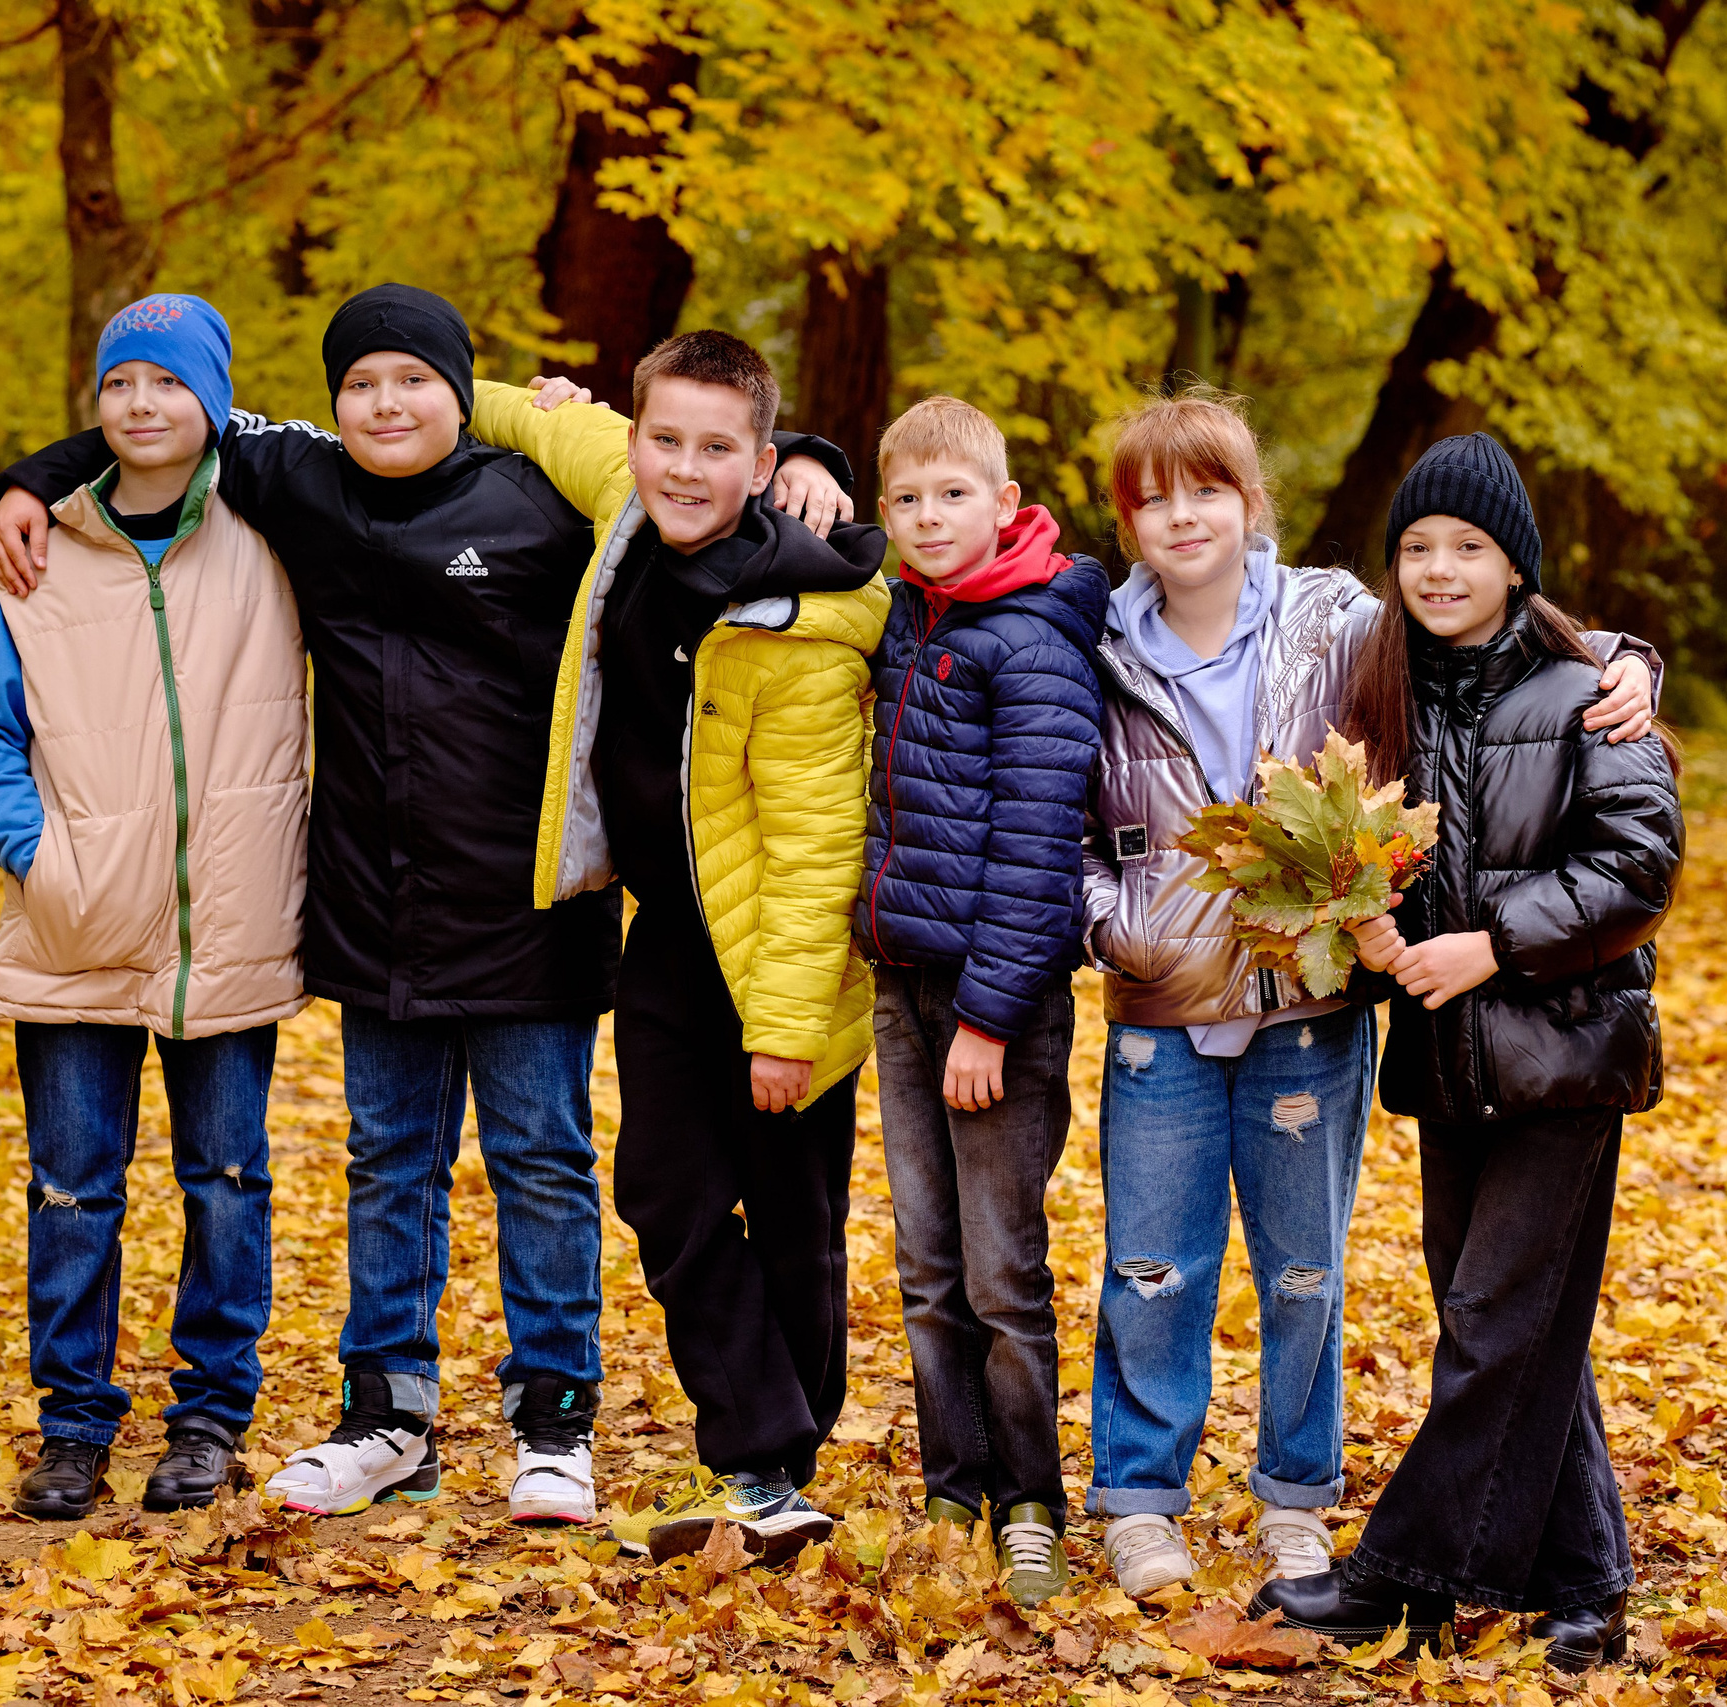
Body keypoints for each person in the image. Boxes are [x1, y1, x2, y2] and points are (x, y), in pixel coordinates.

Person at [0, 286, 852, 1525]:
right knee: (390, 1163)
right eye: (362, 384)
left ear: (458, 389)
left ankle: (555, 1421)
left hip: (528, 903)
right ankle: (388, 1416)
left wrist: (806, 461)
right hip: (370, 899)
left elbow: (684, 474)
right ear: (333, 405)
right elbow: (167, 422)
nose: (388, 404)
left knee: (541, 1163)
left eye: (415, 380)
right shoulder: (297, 484)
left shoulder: (542, 497)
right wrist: (31, 478)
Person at [1079, 394, 1663, 1597]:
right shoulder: (1097, 638)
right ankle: (1579, 1578)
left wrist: (1626, 661)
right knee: (1174, 1271)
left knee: (1385, 1293)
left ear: (1255, 506)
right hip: (1228, 1018)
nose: (1182, 516)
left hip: (1379, 1021)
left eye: (1209, 490)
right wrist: (1113, 926)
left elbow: (1571, 726)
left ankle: (1369, 1542)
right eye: (1153, 496)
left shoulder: (1337, 624)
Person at [1249, 431, 1683, 1671]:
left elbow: (1639, 868)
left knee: (1496, 1321)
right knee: (1515, 1323)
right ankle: (1586, 1585)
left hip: (1562, 1056)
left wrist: (1491, 945)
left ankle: (1409, 1576)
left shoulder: (1588, 689)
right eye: (1418, 548)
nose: (1439, 570)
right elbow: (1376, 857)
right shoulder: (1388, 691)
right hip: (1449, 1063)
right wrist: (1375, 930)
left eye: (1468, 548)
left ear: (1515, 564)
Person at [464, 335, 884, 1565]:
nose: (683, 470)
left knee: (794, 1210)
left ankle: (782, 1461)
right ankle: (762, 1452)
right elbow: (530, 424)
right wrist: (474, 395)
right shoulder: (629, 511)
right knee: (659, 1181)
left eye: (717, 450)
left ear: (763, 465)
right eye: (664, 441)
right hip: (665, 936)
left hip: (777, 960)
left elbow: (816, 855)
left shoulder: (797, 622)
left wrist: (785, 1031)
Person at [0, 294, 303, 1520]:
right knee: (73, 1189)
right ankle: (74, 1427)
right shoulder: (36, 553)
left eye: (167, 383)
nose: (141, 406)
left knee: (227, 1179)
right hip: (76, 919)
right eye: (119, 385)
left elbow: (397, 445)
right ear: (94, 406)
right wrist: (38, 848)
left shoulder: (272, 527)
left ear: (215, 400)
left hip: (231, 917)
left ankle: (209, 1419)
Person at [852, 395, 1107, 1607]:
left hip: (989, 1002)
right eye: (905, 498)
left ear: (1006, 504)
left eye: (953, 494)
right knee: (923, 1259)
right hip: (903, 984)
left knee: (1003, 1270)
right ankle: (952, 1482)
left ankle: (1030, 1498)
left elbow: (1039, 845)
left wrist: (990, 1021)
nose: (928, 516)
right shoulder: (910, 612)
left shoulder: (1032, 638)